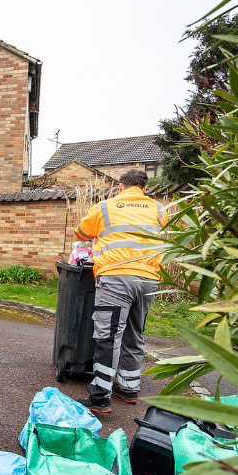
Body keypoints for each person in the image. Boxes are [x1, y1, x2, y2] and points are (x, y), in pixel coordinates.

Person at [73, 169, 165, 412]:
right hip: (149, 280)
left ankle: (100, 398)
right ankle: (128, 388)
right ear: (145, 189)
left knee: (108, 337)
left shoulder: (105, 206)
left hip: (116, 279)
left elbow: (81, 233)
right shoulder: (159, 209)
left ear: (121, 187)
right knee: (135, 334)